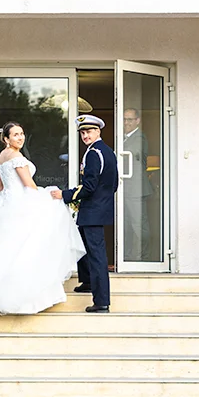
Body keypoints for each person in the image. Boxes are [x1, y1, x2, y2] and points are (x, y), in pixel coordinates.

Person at [0, 120, 85, 316]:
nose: (20, 137)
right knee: (27, 247)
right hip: (20, 204)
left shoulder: (1, 156)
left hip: (4, 204)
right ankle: (27, 297)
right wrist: (47, 194)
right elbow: (29, 185)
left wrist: (10, 189)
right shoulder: (17, 157)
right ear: (6, 139)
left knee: (6, 249)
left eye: (22, 133)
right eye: (15, 135)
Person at [51, 114, 119, 313]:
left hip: (93, 210)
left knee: (97, 255)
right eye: (82, 132)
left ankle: (102, 301)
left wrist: (65, 195)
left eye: (89, 131)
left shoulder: (93, 153)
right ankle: (88, 281)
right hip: (98, 208)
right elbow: (113, 184)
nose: (85, 136)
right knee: (84, 245)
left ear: (98, 131)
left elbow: (89, 186)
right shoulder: (107, 151)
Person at [122, 106, 151, 261]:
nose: (126, 122)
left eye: (130, 119)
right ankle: (126, 258)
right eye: (125, 119)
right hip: (126, 188)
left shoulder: (139, 137)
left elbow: (129, 154)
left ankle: (144, 260)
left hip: (136, 189)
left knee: (138, 225)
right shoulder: (124, 137)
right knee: (126, 225)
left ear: (137, 121)